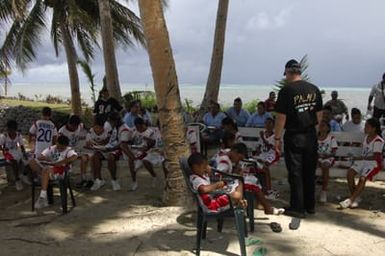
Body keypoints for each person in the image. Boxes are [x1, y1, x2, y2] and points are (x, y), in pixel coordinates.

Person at [274, 59, 323, 223]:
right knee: (309, 171)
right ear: (299, 72)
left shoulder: (286, 91)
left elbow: (281, 118)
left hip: (294, 135)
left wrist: (277, 138)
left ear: (288, 72)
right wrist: (314, 133)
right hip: (310, 135)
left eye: (286, 74)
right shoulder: (314, 89)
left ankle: (297, 208)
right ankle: (310, 205)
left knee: (295, 172)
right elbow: (319, 115)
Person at [339, 118, 384, 209]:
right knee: (350, 173)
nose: (365, 128)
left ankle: (351, 199)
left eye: (367, 126)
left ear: (373, 128)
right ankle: (355, 197)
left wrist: (361, 158)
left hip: (373, 163)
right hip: (363, 161)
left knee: (363, 178)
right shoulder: (366, 137)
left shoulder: (378, 141)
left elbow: (376, 157)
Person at [30, 135, 78, 209]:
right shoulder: (52, 148)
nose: (59, 149)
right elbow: (42, 156)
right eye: (58, 146)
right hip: (50, 168)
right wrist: (44, 159)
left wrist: (61, 162)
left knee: (46, 170)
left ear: (65, 146)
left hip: (61, 172)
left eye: (61, 148)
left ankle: (42, 197)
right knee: (32, 162)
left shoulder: (69, 150)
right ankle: (43, 178)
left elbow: (74, 157)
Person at [90, 112, 132, 191]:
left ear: (115, 121)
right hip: (110, 147)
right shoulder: (114, 127)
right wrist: (98, 145)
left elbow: (122, 145)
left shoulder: (124, 129)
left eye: (110, 121)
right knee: (95, 156)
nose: (108, 123)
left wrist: (110, 149)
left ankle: (114, 180)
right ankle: (99, 180)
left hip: (120, 149)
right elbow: (109, 139)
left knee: (111, 157)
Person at [121, 117, 161, 191]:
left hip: (146, 150)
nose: (138, 129)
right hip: (135, 149)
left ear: (143, 125)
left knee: (143, 158)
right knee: (131, 159)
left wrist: (147, 140)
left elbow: (153, 143)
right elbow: (129, 141)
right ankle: (134, 181)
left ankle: (153, 175)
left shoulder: (150, 131)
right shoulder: (133, 130)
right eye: (137, 127)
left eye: (140, 127)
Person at [77, 115, 111, 189]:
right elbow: (87, 144)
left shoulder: (107, 132)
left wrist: (100, 144)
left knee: (95, 156)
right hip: (93, 151)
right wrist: (91, 144)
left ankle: (97, 179)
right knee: (91, 157)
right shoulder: (91, 131)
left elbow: (108, 143)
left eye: (99, 128)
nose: (97, 129)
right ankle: (95, 179)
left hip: (104, 152)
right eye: (96, 127)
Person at [254, 117, 280, 199]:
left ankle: (268, 190)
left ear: (273, 125)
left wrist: (262, 138)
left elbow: (271, 147)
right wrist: (257, 151)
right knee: (254, 164)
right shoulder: (263, 134)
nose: (268, 125)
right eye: (266, 123)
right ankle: (260, 187)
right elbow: (258, 146)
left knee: (265, 167)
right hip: (263, 154)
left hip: (272, 154)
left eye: (270, 123)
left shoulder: (275, 136)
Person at [0, 120, 27, 191]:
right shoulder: (4, 136)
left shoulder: (18, 135)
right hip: (7, 152)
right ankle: (17, 180)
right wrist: (3, 148)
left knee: (24, 159)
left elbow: (21, 146)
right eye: (10, 130)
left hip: (15, 151)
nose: (12, 132)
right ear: (8, 129)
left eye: (13, 130)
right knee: (14, 161)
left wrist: (24, 154)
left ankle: (23, 175)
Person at [317, 120, 338, 203]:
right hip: (317, 157)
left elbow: (334, 152)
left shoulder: (331, 138)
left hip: (328, 157)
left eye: (324, 125)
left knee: (325, 166)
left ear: (328, 128)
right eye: (320, 125)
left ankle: (323, 191)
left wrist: (326, 155)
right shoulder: (315, 138)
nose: (321, 127)